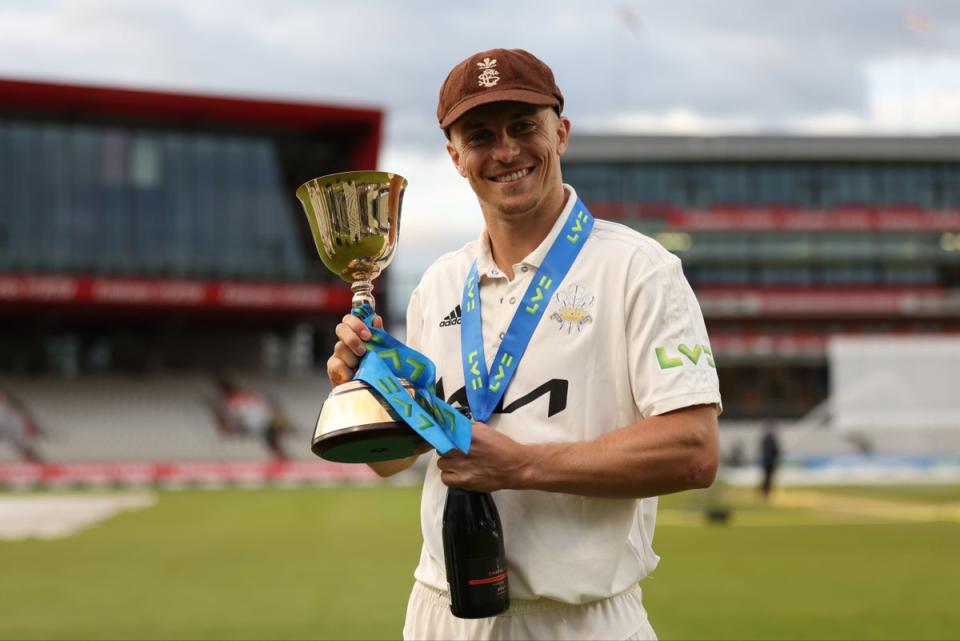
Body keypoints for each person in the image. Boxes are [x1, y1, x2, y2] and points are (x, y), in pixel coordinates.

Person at [328, 48, 721, 641]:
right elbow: (395, 461)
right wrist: (367, 398)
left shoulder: (638, 269)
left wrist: (523, 465)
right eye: (480, 135)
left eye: (523, 127)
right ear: (454, 156)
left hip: (582, 618)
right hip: (443, 612)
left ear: (560, 133)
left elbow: (693, 450)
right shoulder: (437, 283)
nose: (505, 150)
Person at [759, 419, 781, 499]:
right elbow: (776, 450)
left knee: (768, 477)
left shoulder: (768, 438)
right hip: (769, 461)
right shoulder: (769, 438)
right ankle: (766, 492)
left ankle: (765, 492)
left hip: (768, 461)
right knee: (768, 477)